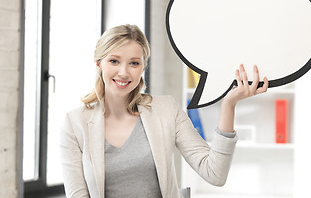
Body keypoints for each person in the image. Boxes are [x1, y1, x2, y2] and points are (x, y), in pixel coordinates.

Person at [60, 24, 268, 198]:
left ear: (142, 68)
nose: (123, 72)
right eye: (114, 61)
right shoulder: (75, 123)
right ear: (99, 64)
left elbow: (215, 173)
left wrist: (229, 104)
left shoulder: (166, 110)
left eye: (134, 63)